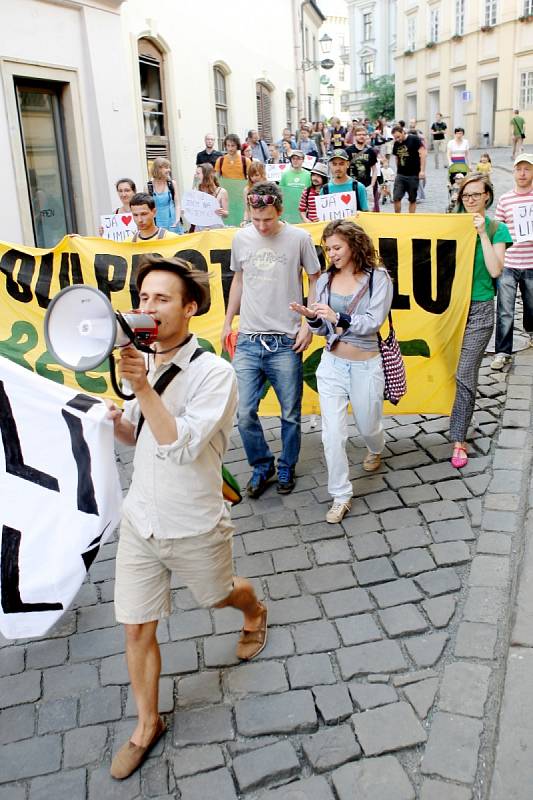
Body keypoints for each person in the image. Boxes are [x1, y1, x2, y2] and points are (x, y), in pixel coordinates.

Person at [107, 256, 267, 780]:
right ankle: (146, 724)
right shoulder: (143, 362)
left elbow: (177, 444)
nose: (147, 308)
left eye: (161, 299)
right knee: (135, 629)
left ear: (190, 308)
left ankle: (254, 610)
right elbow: (141, 435)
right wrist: (118, 421)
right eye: (143, 298)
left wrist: (144, 389)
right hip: (141, 521)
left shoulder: (215, 374)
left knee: (220, 593)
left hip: (194, 522)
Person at [289, 220, 393, 523]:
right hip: (332, 364)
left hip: (365, 364)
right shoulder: (324, 281)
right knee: (332, 433)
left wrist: (339, 316)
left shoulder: (378, 279)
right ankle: (341, 494)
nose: (331, 253)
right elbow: (324, 328)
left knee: (368, 425)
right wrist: (311, 318)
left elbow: (373, 321)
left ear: (353, 245)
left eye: (337, 247)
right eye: (328, 248)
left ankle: (377, 447)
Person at [221, 182, 320, 497]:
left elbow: (315, 278)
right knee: (244, 412)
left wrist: (309, 323)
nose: (262, 226)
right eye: (255, 219)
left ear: (280, 211)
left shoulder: (299, 239)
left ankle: (287, 466)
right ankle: (261, 467)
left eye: (268, 219)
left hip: (286, 340)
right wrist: (227, 322)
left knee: (290, 412)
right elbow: (238, 278)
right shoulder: (242, 237)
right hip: (249, 339)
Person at [449, 175, 512, 467]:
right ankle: (461, 413)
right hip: (449, 309)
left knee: (465, 371)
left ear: (487, 196)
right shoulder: (450, 225)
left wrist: (482, 234)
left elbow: (496, 270)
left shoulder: (497, 229)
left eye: (476, 195)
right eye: (466, 195)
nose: (470, 200)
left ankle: (459, 438)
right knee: (450, 370)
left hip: (479, 309)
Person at [491, 153, 533, 370]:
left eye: (527, 169)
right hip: (509, 262)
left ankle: (531, 330)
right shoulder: (506, 199)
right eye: (519, 169)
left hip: (532, 263)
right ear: (514, 172)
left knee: (532, 305)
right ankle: (502, 351)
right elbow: (498, 229)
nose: (522, 173)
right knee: (505, 309)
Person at [391, 124, 426, 213]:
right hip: (401, 174)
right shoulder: (396, 143)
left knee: (412, 199)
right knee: (396, 197)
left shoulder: (414, 139)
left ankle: (410, 219)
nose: (397, 139)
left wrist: (422, 171)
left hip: (413, 174)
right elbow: (396, 157)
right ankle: (398, 218)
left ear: (403, 132)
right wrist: (398, 170)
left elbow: (423, 154)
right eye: (395, 138)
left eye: (398, 137)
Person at [147, 157, 182, 233]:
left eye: (169, 167)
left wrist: (177, 219)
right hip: (157, 222)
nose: (169, 170)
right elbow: (147, 207)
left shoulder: (172, 184)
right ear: (158, 169)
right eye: (166, 168)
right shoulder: (149, 186)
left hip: (172, 222)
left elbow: (177, 204)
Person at [345, 125, 378, 205]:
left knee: (367, 210)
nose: (361, 136)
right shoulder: (348, 151)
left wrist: (372, 185)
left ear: (366, 136)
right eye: (359, 135)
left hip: (366, 186)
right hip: (351, 186)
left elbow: (374, 169)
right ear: (355, 136)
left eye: (363, 135)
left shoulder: (370, 151)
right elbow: (344, 169)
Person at [192, 163, 228, 230]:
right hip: (200, 229)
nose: (196, 176)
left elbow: (226, 214)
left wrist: (222, 212)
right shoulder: (197, 191)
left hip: (216, 229)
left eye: (198, 173)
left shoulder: (222, 192)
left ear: (206, 175)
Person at [279, 150, 312, 222]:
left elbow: (310, 194)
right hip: (289, 211)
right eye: (293, 159)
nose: (295, 161)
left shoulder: (309, 175)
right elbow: (281, 193)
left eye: (298, 158)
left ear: (303, 160)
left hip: (303, 212)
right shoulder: (285, 175)